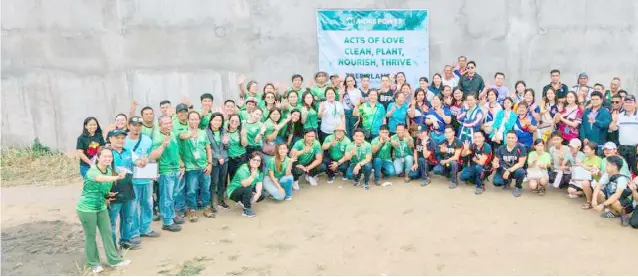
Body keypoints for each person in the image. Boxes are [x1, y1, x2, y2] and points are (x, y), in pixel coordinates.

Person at [76, 146, 131, 273]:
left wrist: (107, 195)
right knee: (91, 236)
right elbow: (100, 179)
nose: (107, 158)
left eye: (110, 156)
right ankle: (93, 263)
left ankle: (114, 261)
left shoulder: (109, 170)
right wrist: (117, 177)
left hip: (101, 206)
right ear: (98, 158)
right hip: (86, 208)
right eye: (104, 156)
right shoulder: (93, 171)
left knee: (107, 233)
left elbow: (103, 188)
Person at [125, 116, 160, 241]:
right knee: (133, 206)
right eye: (134, 125)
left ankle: (145, 228)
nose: (137, 127)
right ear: (129, 126)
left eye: (139, 125)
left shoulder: (146, 140)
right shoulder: (124, 141)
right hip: (131, 179)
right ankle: (134, 232)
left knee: (148, 204)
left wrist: (154, 172)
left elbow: (151, 156)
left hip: (146, 178)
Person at [150, 115, 183, 232]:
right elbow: (153, 156)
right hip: (165, 171)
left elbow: (176, 151)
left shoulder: (172, 134)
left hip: (175, 169)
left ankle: (172, 216)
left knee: (173, 195)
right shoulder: (158, 138)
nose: (169, 125)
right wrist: (163, 145)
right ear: (159, 125)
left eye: (170, 123)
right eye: (165, 123)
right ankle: (167, 222)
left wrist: (181, 164)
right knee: (166, 197)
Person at [105, 129, 137, 251]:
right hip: (112, 192)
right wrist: (104, 194)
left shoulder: (128, 151)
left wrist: (143, 162)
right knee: (111, 221)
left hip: (128, 190)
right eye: (117, 137)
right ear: (110, 139)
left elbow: (138, 161)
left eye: (122, 138)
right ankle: (112, 247)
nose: (120, 140)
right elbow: (96, 171)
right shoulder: (105, 153)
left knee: (128, 218)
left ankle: (125, 240)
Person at [180, 112, 213, 222]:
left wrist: (209, 164)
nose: (194, 121)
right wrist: (192, 133)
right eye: (192, 119)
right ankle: (192, 209)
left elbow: (208, 148)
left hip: (204, 166)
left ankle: (206, 207)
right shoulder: (183, 132)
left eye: (196, 119)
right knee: (191, 190)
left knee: (206, 189)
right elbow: (183, 137)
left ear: (199, 120)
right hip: (191, 168)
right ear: (188, 120)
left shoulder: (203, 133)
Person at [592, 156, 634, 227]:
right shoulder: (607, 174)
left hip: (624, 202)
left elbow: (617, 195)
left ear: (614, 167)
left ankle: (624, 215)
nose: (605, 166)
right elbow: (598, 186)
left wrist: (603, 205)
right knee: (599, 193)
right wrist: (594, 200)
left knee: (615, 202)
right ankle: (613, 212)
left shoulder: (622, 178)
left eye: (608, 165)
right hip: (611, 195)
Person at [227, 152, 265, 218]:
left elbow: (259, 182)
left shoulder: (259, 170)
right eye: (254, 159)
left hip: (246, 189)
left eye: (258, 160)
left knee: (261, 194)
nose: (256, 162)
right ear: (249, 159)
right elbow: (245, 184)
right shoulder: (244, 168)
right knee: (248, 188)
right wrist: (253, 175)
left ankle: (243, 201)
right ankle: (246, 209)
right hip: (234, 192)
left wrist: (258, 193)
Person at [492, 131, 527, 197]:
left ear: (516, 139)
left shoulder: (521, 148)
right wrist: (495, 164)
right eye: (508, 137)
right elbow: (496, 159)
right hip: (503, 169)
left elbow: (521, 163)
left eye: (512, 138)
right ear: (506, 138)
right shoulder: (501, 148)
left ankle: (518, 187)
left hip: (515, 169)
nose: (510, 139)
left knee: (521, 172)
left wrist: (509, 170)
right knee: (496, 182)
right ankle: (507, 181)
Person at [207, 113, 229, 213]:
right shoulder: (206, 132)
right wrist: (218, 157)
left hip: (224, 160)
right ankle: (211, 203)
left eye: (220, 120)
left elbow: (228, 147)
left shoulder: (224, 131)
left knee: (222, 181)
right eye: (215, 120)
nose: (217, 122)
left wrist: (226, 143)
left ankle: (221, 200)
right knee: (213, 182)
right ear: (211, 121)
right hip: (214, 161)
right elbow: (207, 148)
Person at [610, 95, 638, 175]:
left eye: (630, 102)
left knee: (635, 171)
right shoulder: (620, 115)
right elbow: (613, 128)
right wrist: (614, 120)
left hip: (636, 148)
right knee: (623, 170)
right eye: (626, 102)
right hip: (622, 148)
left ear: (635, 103)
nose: (628, 104)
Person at [572, 142, 603, 209]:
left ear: (593, 151)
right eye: (584, 149)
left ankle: (589, 201)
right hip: (586, 178)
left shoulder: (598, 159)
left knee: (585, 182)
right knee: (572, 190)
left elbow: (594, 169)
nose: (584, 151)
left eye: (586, 149)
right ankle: (587, 197)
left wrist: (582, 165)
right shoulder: (586, 158)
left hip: (595, 180)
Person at [226, 114, 247, 184]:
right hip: (229, 159)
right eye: (232, 120)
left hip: (240, 158)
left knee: (240, 177)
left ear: (239, 124)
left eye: (236, 121)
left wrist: (243, 136)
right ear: (228, 121)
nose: (234, 122)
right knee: (231, 177)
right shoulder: (224, 131)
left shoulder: (241, 131)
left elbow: (244, 144)